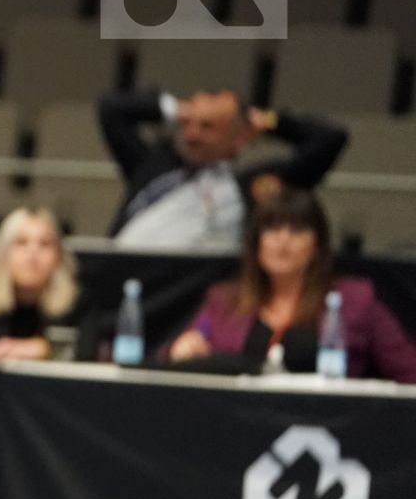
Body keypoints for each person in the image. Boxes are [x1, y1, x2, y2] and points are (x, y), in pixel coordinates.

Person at [166, 189, 416, 382]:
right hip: (236, 426)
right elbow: (175, 360)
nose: (283, 241)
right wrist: (182, 350)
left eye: (297, 230)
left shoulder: (356, 300)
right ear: (256, 244)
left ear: (317, 247)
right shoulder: (223, 301)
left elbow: (409, 372)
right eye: (272, 229)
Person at [99, 87, 347, 250]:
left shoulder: (251, 185)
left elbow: (330, 139)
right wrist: (175, 108)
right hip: (124, 273)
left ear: (238, 138)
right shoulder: (151, 164)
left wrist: (268, 120)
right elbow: (110, 110)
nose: (192, 134)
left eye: (207, 126)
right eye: (186, 123)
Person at [0, 207, 79, 362]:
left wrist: (45, 349)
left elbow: (88, 349)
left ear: (59, 256)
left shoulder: (77, 303)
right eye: (21, 242)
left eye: (44, 244)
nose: (33, 253)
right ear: (2, 253)